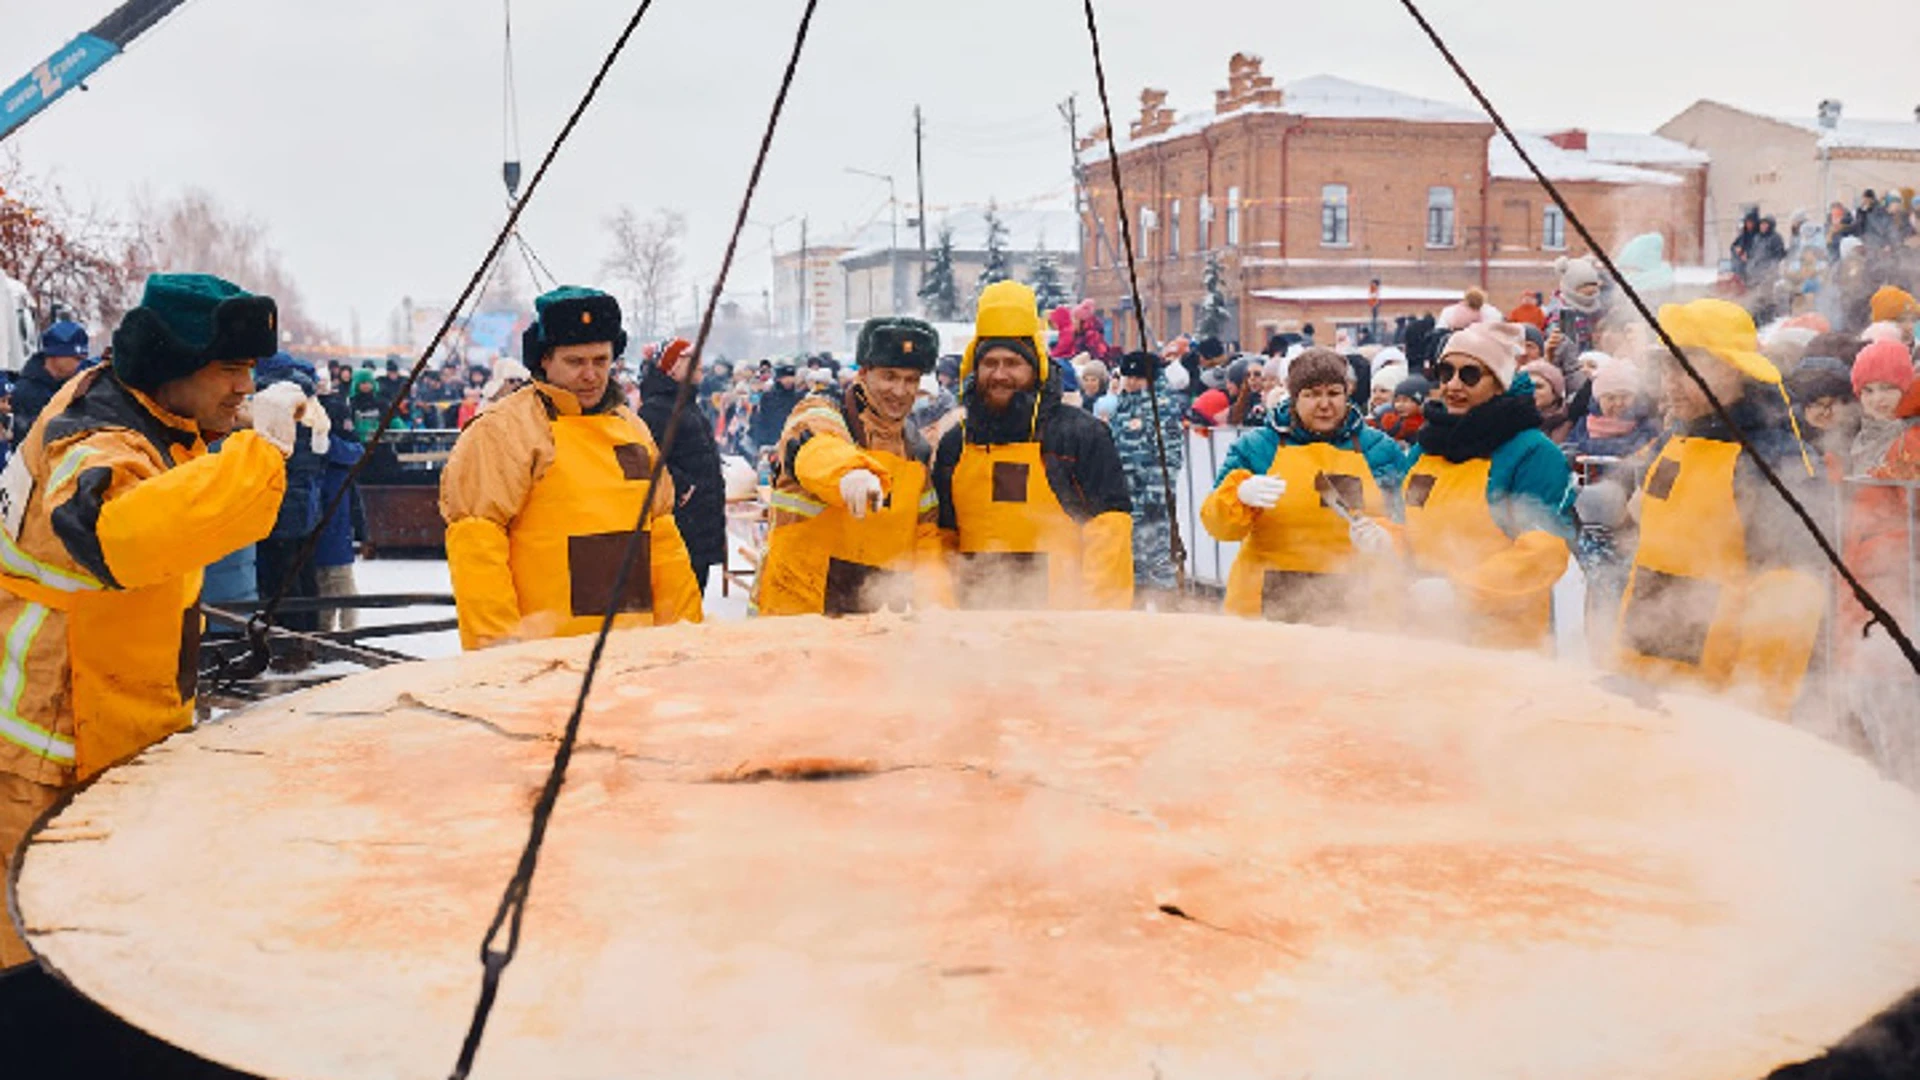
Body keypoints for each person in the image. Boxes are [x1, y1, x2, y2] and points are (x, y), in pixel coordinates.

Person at [0, 273, 302, 968]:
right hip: (49, 750)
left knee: (96, 945)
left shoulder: (150, 414)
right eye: (229, 370)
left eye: (251, 371)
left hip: (100, 728)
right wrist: (263, 456)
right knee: (41, 962)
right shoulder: (94, 442)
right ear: (171, 366)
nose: (243, 389)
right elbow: (117, 537)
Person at [439, 287, 702, 650]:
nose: (591, 375)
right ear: (545, 359)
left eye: (601, 360)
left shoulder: (632, 427)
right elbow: (477, 543)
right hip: (547, 657)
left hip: (636, 652)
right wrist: (498, 654)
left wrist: (686, 633)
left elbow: (662, 540)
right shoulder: (503, 429)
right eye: (576, 362)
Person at [1610, 299, 1824, 717]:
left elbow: (1792, 589)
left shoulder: (1771, 457)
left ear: (1733, 369)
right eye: (1666, 366)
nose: (1670, 382)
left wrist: (1754, 702)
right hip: (1644, 665)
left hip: (1719, 690)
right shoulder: (1679, 439)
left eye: (1686, 366)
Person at [931, 281, 1133, 610]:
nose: (999, 374)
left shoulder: (1080, 435)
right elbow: (944, 539)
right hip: (974, 632)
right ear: (975, 368)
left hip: (1060, 630)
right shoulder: (957, 443)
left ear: (1035, 368)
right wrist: (941, 612)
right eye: (990, 363)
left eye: (1012, 363)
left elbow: (1109, 533)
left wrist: (1100, 625)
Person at [756, 317, 948, 616]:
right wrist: (848, 473)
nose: (900, 391)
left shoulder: (915, 450)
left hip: (879, 623)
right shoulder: (822, 411)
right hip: (799, 615)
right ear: (864, 373)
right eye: (889, 376)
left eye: (910, 380)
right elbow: (816, 445)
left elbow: (926, 543)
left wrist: (938, 604)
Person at [1401, 323, 1572, 651]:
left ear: (1499, 385)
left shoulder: (1531, 452)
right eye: (1446, 371)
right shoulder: (1427, 447)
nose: (1452, 384)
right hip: (1426, 634)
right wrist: (1382, 539)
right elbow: (1405, 520)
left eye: (1469, 375)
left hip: (1504, 642)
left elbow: (1543, 553)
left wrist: (1459, 591)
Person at [1201, 347, 1404, 624]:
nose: (1324, 404)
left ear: (1348, 393)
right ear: (1294, 397)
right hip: (1263, 599)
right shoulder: (1257, 447)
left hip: (1357, 600)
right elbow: (1219, 526)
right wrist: (1238, 494)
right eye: (1311, 394)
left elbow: (1409, 519)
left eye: (1333, 393)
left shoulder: (1379, 449)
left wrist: (1388, 539)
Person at [636, 339, 727, 594]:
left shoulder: (689, 405)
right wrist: (681, 487)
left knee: (695, 593)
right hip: (681, 522)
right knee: (679, 598)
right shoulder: (656, 410)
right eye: (691, 362)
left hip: (700, 521)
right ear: (672, 369)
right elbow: (646, 458)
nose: (700, 367)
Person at [1107, 351, 1185, 601]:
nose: (1131, 383)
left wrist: (1156, 496)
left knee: (1157, 560)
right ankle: (1137, 614)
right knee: (1132, 562)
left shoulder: (1162, 407)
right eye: (1128, 377)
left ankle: (1167, 611)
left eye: (1138, 378)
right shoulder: (1122, 406)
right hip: (1126, 497)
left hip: (1151, 499)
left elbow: (1169, 457)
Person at [11, 320, 90, 443]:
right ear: (56, 355)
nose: (79, 364)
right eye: (76, 358)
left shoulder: (74, 385)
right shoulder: (27, 392)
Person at [750, 362, 804, 455]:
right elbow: (761, 420)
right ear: (778, 379)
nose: (789, 380)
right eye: (784, 377)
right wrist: (762, 443)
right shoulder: (768, 397)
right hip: (772, 442)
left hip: (794, 442)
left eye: (791, 377)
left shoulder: (800, 397)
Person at [1521, 360, 1573, 442]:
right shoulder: (1513, 421)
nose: (1531, 391)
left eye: (1539, 387)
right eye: (1526, 386)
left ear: (1555, 392)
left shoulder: (1572, 420)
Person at [1378, 375, 1429, 446]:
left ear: (1420, 403)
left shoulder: (1425, 426)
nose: (1399, 405)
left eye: (1405, 400)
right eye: (1397, 401)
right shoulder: (1388, 422)